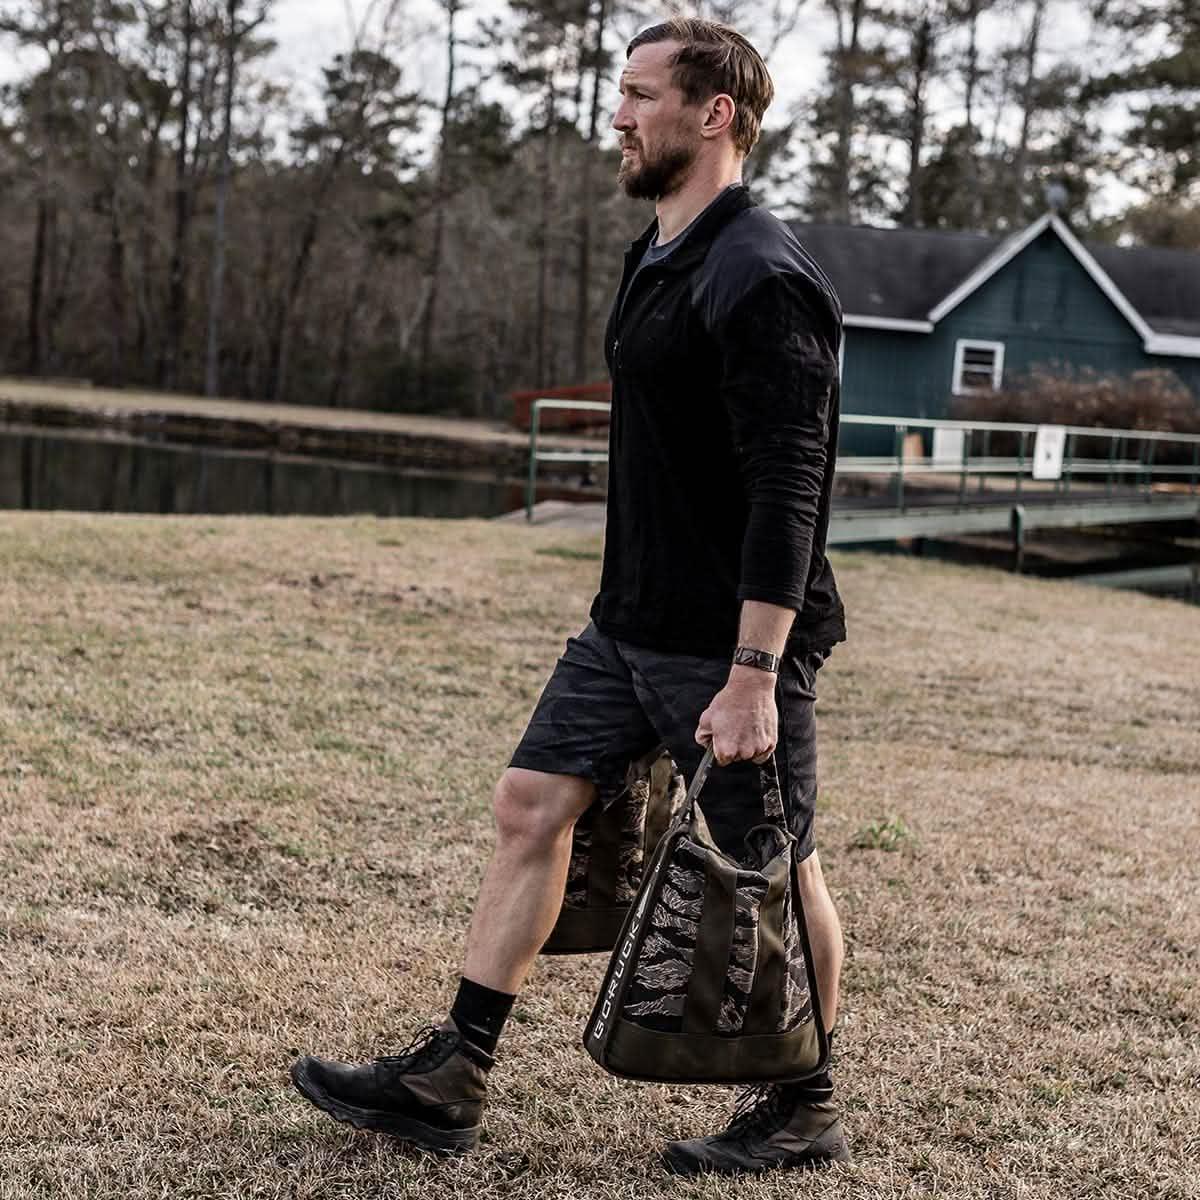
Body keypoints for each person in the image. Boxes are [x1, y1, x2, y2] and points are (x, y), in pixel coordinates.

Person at [291, 16, 849, 1177]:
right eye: (621, 90)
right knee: (530, 805)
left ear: (714, 115)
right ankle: (453, 1073)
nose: (618, 114)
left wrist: (754, 672)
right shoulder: (662, 252)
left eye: (641, 94)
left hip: (728, 642)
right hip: (628, 622)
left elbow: (790, 488)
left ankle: (806, 1103)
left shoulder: (762, 275)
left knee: (771, 863)